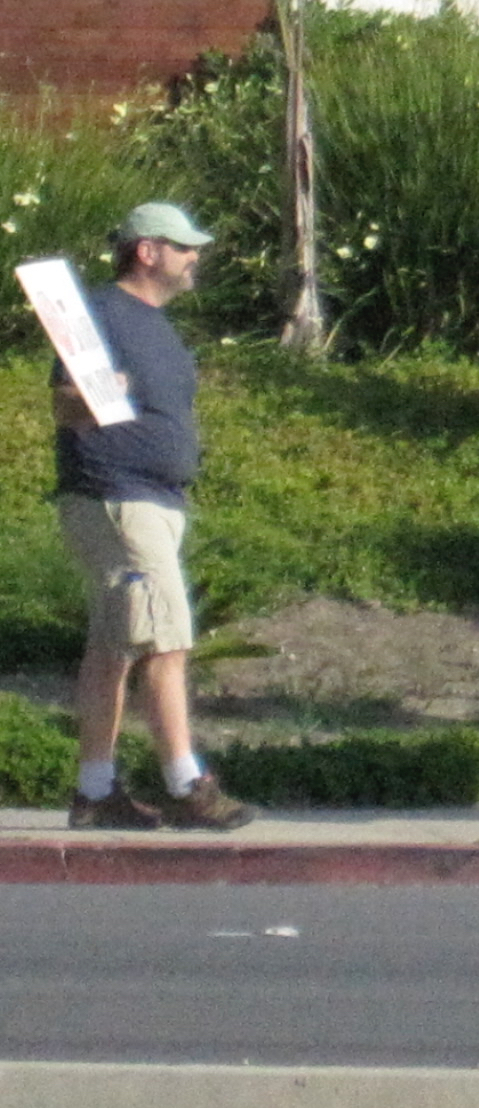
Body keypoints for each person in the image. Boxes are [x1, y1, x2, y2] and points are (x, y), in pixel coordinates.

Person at [52, 202, 254, 830]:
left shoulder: (158, 327)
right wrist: (90, 397)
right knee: (168, 641)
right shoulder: (100, 314)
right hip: (118, 499)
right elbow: (64, 402)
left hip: (154, 503)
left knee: (115, 649)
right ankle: (186, 784)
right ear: (147, 251)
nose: (195, 257)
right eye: (183, 246)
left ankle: (95, 792)